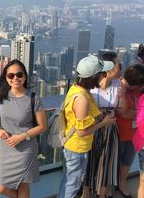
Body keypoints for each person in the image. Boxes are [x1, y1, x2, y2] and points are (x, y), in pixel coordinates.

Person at [0, 59, 47, 198]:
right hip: (6, 148)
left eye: (19, 74)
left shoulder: (33, 98)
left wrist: (21, 136)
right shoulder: (1, 94)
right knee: (1, 188)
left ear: (25, 76)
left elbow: (42, 126)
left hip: (26, 148)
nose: (15, 78)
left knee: (23, 184)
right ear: (6, 77)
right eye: (11, 75)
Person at [58, 55, 117, 198]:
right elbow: (81, 132)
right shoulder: (82, 99)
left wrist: (100, 113)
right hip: (77, 148)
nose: (103, 77)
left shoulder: (76, 88)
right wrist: (104, 123)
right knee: (73, 185)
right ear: (94, 77)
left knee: (68, 181)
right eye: (102, 74)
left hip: (74, 147)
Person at [82, 52, 122, 198]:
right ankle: (86, 191)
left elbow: (121, 107)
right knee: (89, 160)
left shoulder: (118, 85)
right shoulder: (91, 86)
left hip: (110, 128)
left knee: (107, 162)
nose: (120, 68)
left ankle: (102, 193)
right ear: (109, 68)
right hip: (92, 128)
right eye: (119, 65)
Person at [121, 64, 144, 197]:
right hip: (119, 132)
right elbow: (123, 113)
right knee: (116, 161)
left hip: (135, 134)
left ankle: (122, 183)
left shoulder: (138, 91)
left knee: (127, 161)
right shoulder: (119, 90)